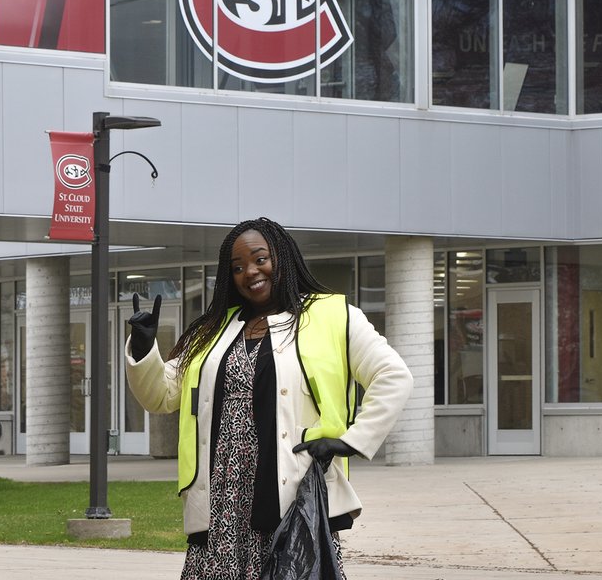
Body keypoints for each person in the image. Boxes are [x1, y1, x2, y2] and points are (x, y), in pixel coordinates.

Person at [125, 217, 413, 579]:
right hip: (223, 497)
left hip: (289, 491)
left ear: (282, 257)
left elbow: (393, 376)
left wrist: (350, 440)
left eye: (260, 259)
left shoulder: (331, 316)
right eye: (238, 267)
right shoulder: (214, 330)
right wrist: (143, 346)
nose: (250, 272)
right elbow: (162, 395)